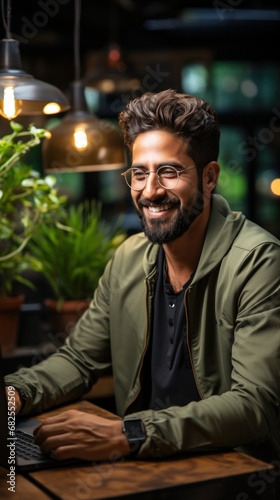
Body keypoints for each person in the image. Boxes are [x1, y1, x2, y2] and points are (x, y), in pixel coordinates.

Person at [5, 89, 280, 464]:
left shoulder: (259, 262)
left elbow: (254, 407)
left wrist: (128, 433)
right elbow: (79, 360)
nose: (150, 192)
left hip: (231, 473)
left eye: (168, 171)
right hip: (142, 467)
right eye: (139, 173)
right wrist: (15, 393)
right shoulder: (129, 258)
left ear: (210, 177)